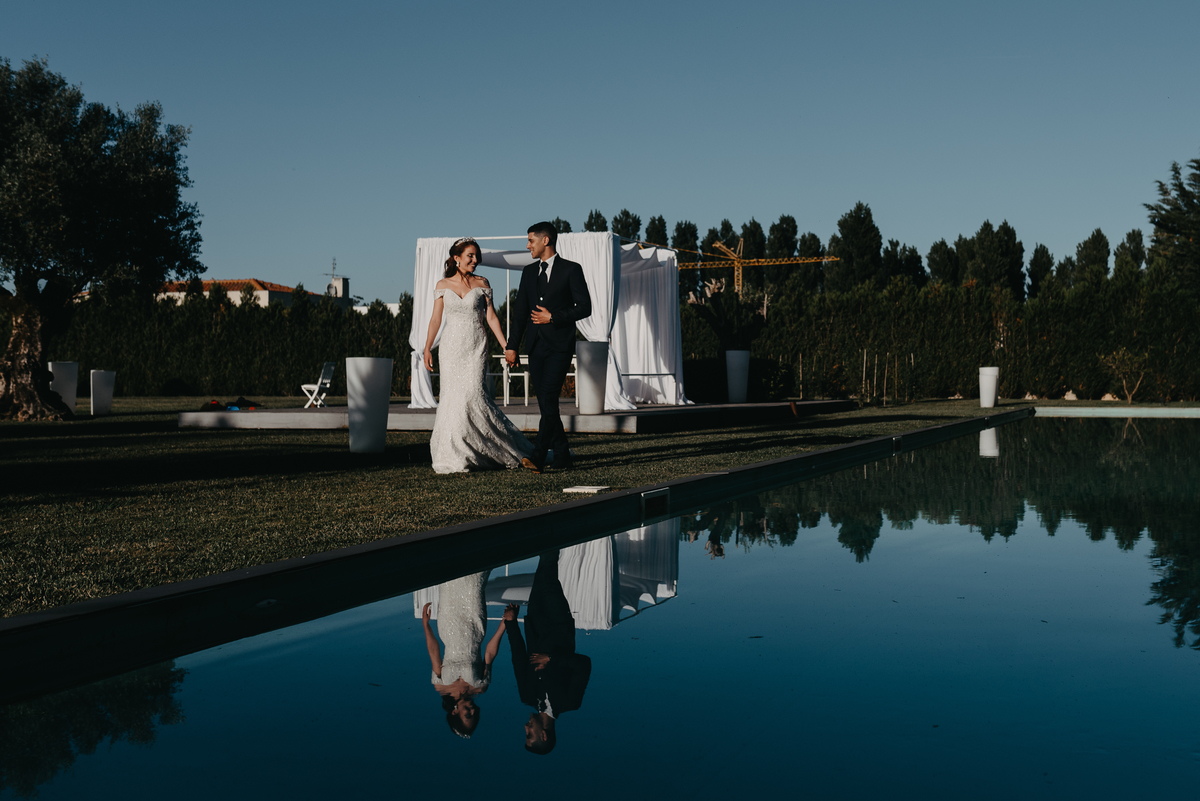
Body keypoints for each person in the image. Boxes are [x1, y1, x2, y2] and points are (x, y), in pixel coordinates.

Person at [424, 237, 534, 473]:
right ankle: (455, 453)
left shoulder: (482, 282)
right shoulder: (443, 285)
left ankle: (497, 447)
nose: (475, 260)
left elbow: (491, 317)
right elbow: (435, 319)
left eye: (476, 256)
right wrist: (427, 348)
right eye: (470, 256)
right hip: (451, 347)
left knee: (474, 395)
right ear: (457, 258)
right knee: (452, 400)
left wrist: (507, 346)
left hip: (476, 345)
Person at [504, 222, 592, 473]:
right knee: (546, 402)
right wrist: (512, 347)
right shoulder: (528, 272)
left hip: (559, 347)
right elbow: (520, 313)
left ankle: (539, 454)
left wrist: (553, 317)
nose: (527, 245)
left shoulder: (571, 270)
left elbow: (584, 307)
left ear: (546, 241)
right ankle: (562, 455)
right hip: (535, 347)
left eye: (531, 240)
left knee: (548, 397)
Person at [503, 552, 591, 755]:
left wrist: (511, 624)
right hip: (558, 624)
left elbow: (518, 659)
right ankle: (552, 529)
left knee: (543, 571)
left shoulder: (526, 696)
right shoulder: (570, 702)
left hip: (535, 623)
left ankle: (549, 535)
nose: (525, 728)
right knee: (548, 574)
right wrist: (551, 660)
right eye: (528, 734)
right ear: (544, 735)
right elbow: (584, 664)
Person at [421, 571, 507, 739]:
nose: (473, 710)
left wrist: (426, 626)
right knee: (473, 583)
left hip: (448, 626)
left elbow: (434, 652)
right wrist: (504, 624)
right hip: (474, 626)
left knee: (449, 582)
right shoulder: (481, 686)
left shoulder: (440, 685)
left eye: (468, 714)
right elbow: (489, 654)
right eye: (475, 714)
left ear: (454, 713)